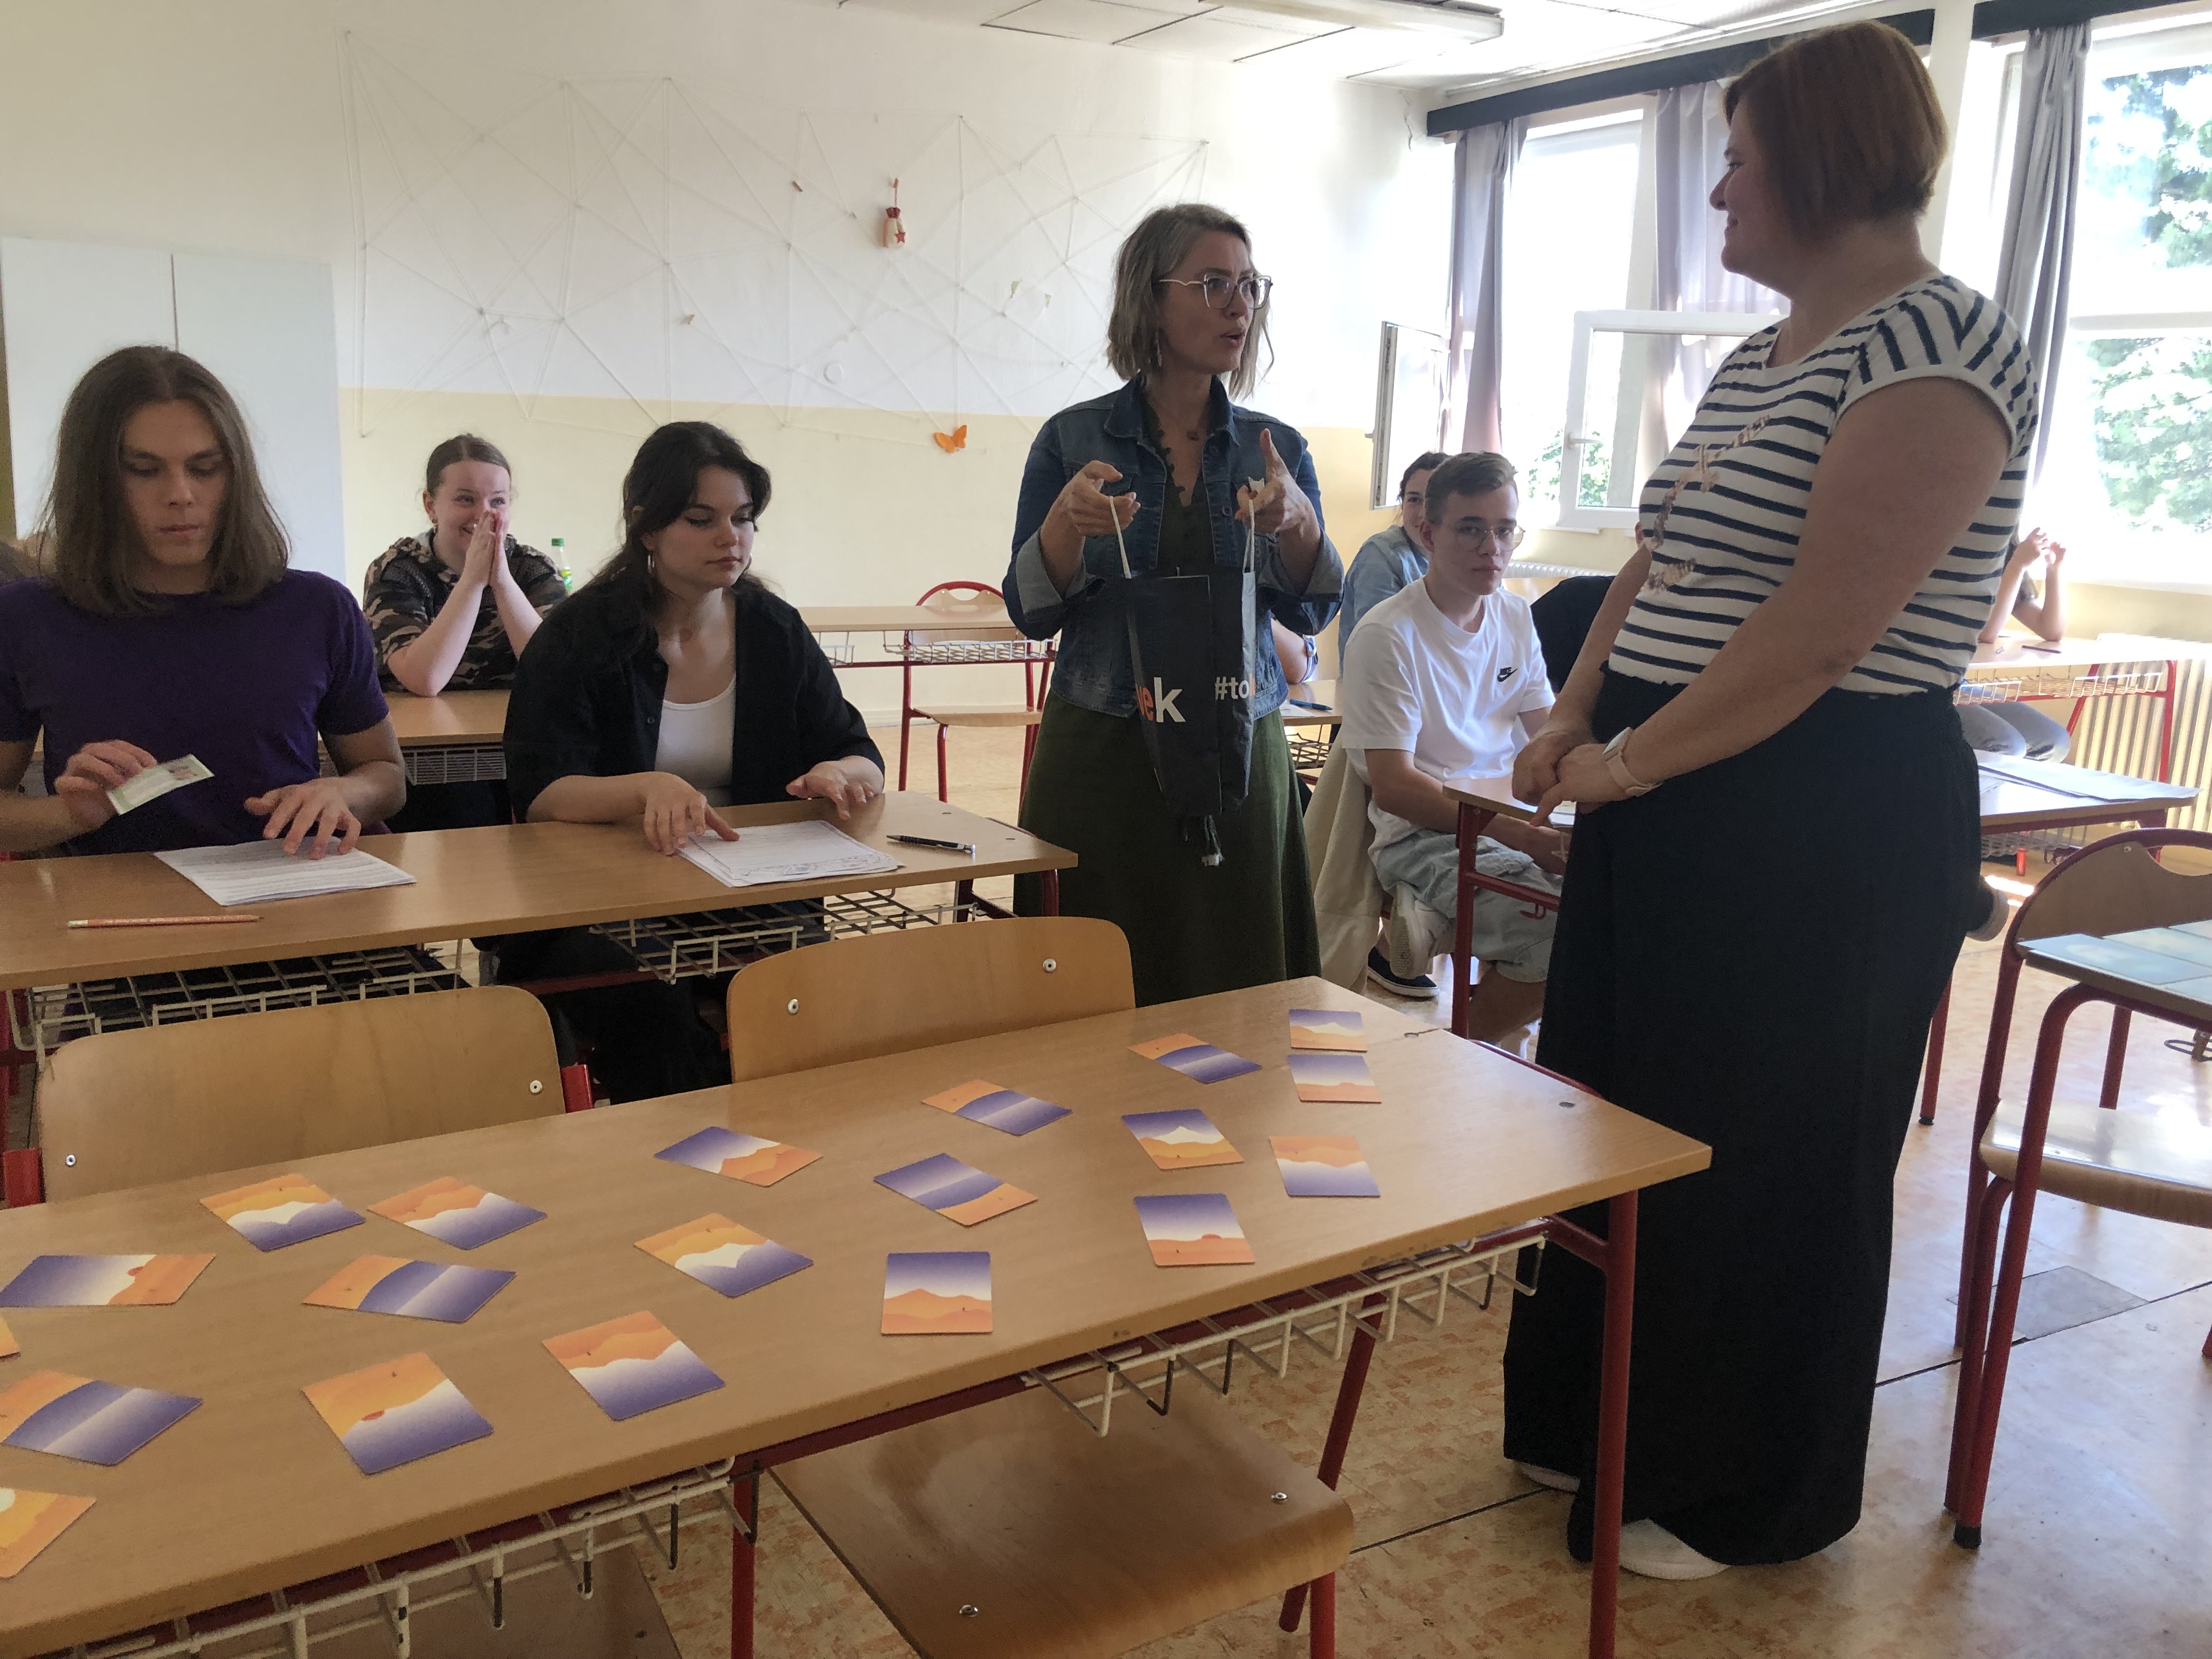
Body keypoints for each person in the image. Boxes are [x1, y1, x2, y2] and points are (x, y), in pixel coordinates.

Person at [1503, 22, 2035, 1579]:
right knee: (1610, 1110)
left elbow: (1822, 633)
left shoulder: (1939, 344)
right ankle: (1595, 1427)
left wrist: (1631, 763)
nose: (1720, 193)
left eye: (1738, 162)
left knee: (1765, 1153)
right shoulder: (1764, 354)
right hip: (1670, 782)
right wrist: (1577, 710)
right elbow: (1655, 560)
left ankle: (1734, 1492)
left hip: (1818, 807)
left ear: (1821, 159)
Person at [1005, 203, 1341, 1006]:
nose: (1239, 306)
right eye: (1214, 283)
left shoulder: (1276, 446)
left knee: (1243, 981)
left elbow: (1314, 611)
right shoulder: (1072, 439)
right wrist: (1063, 528)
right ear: (1151, 299)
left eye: (1250, 285)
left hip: (1239, 743)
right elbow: (1030, 611)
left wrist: (1299, 524)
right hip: (1106, 749)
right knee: (1096, 980)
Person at [503, 420, 883, 1101]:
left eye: (743, 518)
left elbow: (861, 755)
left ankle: (799, 1133)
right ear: (646, 528)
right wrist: (644, 788)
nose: (729, 537)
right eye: (701, 519)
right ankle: (699, 1146)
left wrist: (840, 774)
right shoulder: (580, 634)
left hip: (743, 893)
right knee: (655, 1017)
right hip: (599, 904)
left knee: (809, 991)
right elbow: (542, 792)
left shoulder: (773, 629)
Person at [0, 347, 404, 856]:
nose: (181, 494)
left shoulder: (317, 608)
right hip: (118, 898)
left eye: (206, 468)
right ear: (92, 483)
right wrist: (69, 814)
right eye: (143, 470)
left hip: (286, 888)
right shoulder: (26, 618)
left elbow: (386, 776)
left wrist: (346, 792)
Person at [1338, 452, 1563, 1031]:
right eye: (1471, 529)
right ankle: (1451, 1063)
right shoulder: (1389, 634)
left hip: (1503, 820)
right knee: (1557, 937)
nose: (1493, 548)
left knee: (1615, 909)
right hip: (1422, 834)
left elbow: (1549, 738)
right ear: (1428, 534)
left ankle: (1442, 926)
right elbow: (1396, 789)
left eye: (1505, 529)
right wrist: (1523, 835)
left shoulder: (1514, 616)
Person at [362, 434, 568, 830]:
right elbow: (425, 678)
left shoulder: (532, 569)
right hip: (425, 755)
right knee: (465, 815)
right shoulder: (398, 570)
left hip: (515, 740)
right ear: (431, 505)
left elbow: (555, 671)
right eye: (465, 499)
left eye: (498, 501)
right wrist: (473, 579)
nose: (483, 514)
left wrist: (501, 580)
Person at [1960, 526, 2070, 759]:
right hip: (1930, 683)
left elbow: (2051, 631)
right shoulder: (1960, 557)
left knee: (2055, 741)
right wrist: (2018, 564)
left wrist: (2054, 569)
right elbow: (1987, 633)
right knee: (2007, 746)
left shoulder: (2004, 561)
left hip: (1961, 684)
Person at [1338, 450, 1448, 656]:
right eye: (1414, 500)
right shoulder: (1381, 556)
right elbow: (1381, 647)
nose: (1423, 513)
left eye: (1434, 501)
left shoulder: (1464, 556)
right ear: (1402, 503)